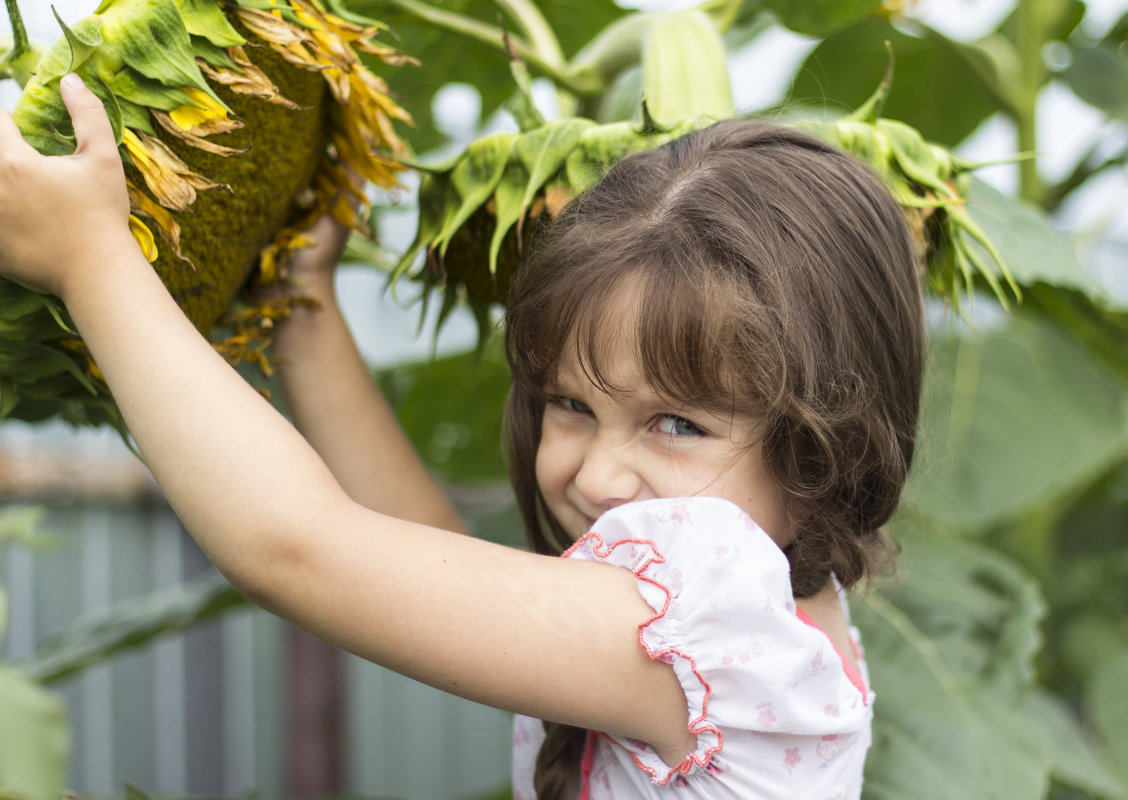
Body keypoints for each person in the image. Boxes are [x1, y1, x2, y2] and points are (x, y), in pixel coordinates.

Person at [0, 73, 924, 799]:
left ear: (819, 457)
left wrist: (91, 258)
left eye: (677, 423)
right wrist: (304, 308)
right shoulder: (774, 615)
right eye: (570, 404)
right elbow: (432, 561)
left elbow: (299, 549)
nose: (598, 474)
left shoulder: (713, 623)